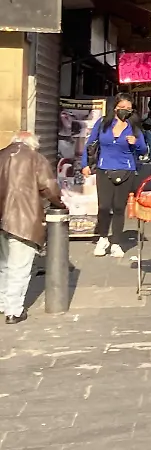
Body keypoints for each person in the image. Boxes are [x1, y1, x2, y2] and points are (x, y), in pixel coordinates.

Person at [0, 132, 63, 324]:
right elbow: (49, 187)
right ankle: (14, 310)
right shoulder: (36, 158)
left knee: (4, 264)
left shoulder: (1, 155)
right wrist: (59, 204)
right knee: (19, 266)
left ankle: (3, 303)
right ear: (32, 144)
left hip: (2, 218)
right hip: (23, 219)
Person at [81, 93, 148, 258]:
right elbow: (90, 144)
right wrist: (85, 165)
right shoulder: (103, 123)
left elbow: (144, 150)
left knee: (119, 207)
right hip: (104, 169)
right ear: (115, 108)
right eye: (122, 108)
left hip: (126, 170)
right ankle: (103, 238)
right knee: (104, 207)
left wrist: (136, 143)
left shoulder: (134, 127)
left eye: (128, 109)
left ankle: (116, 242)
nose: (125, 111)